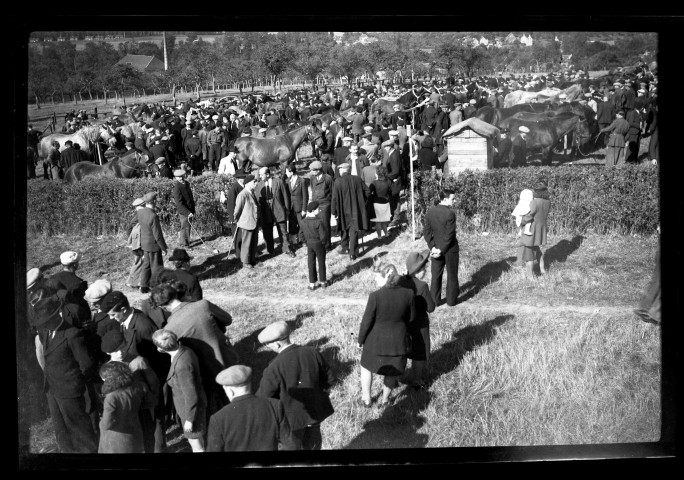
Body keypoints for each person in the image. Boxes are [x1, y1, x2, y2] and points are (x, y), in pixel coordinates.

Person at [150, 282, 238, 420]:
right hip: (229, 358)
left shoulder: (170, 328)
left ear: (162, 307)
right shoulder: (203, 305)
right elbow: (227, 319)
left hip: (207, 373)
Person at [98, 290, 170, 452]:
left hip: (148, 383)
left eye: (112, 314)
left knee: (154, 424)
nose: (111, 318)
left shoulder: (143, 326)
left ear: (123, 309)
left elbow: (159, 360)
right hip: (137, 391)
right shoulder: (125, 321)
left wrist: (151, 393)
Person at [31, 296, 99, 453]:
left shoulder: (72, 334)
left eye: (46, 321)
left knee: (78, 428)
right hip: (52, 388)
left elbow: (86, 365)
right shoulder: (45, 331)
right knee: (60, 427)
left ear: (56, 315)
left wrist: (75, 383)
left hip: (69, 390)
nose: (44, 325)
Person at [256, 320, 335, 450]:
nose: (267, 347)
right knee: (314, 447)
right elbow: (329, 378)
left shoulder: (274, 367)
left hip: (291, 422)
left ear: (276, 344)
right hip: (314, 415)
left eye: (267, 345)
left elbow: (263, 397)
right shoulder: (312, 352)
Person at [357, 262, 415, 408]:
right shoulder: (409, 294)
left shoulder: (375, 296)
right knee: (391, 372)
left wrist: (360, 340)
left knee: (366, 367)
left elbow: (366, 322)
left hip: (375, 343)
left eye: (377, 277)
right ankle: (385, 401)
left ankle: (366, 399)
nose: (375, 281)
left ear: (386, 277)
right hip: (398, 343)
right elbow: (411, 318)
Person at [207, 365, 298, 452]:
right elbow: (290, 444)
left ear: (230, 391)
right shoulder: (274, 405)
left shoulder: (218, 419)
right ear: (250, 384)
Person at [100, 329, 160, 454]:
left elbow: (153, 382)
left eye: (122, 347)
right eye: (115, 351)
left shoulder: (139, 361)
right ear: (107, 352)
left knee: (148, 434)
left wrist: (151, 401)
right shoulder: (108, 368)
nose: (120, 353)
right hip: (124, 410)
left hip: (142, 405)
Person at [152, 329, 207, 453]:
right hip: (190, 407)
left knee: (196, 443)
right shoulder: (184, 350)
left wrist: (189, 419)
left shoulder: (181, 366)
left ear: (160, 349)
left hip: (190, 409)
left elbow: (191, 395)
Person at [401, 251, 435, 389]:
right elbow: (431, 308)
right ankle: (417, 380)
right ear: (416, 271)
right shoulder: (423, 286)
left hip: (404, 323)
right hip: (420, 325)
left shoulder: (402, 281)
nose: (425, 270)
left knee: (404, 350)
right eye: (423, 268)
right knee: (420, 354)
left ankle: (398, 377)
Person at [97, 361, 146, 453]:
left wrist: (101, 422)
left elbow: (107, 424)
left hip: (116, 440)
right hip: (135, 433)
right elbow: (149, 401)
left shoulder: (111, 397)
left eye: (104, 379)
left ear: (110, 379)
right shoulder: (138, 387)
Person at [423, 188, 460, 306]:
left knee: (436, 275)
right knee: (452, 275)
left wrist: (433, 247)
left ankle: (435, 300)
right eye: (452, 199)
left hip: (436, 249)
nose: (454, 201)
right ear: (445, 199)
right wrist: (440, 249)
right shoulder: (450, 214)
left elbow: (426, 232)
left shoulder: (430, 212)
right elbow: (450, 235)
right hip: (450, 250)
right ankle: (451, 301)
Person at [331, 163, 370, 260]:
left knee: (344, 227)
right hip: (356, 210)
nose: (339, 171)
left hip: (343, 210)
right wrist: (362, 202)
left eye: (339, 170)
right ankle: (353, 253)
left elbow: (334, 199)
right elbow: (368, 192)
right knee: (354, 230)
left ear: (342, 170)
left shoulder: (337, 181)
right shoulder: (357, 179)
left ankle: (345, 248)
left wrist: (333, 212)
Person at [256, 166, 294, 257]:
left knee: (283, 232)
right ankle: (271, 250)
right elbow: (257, 200)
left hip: (279, 211)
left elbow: (286, 196)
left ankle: (286, 249)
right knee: (267, 233)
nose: (260, 177)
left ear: (268, 174)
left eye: (262, 175)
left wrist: (287, 209)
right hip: (266, 213)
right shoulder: (259, 185)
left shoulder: (278, 182)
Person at [138, 192, 168, 294]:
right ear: (154, 201)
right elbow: (158, 235)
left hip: (144, 244)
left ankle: (143, 286)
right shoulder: (153, 216)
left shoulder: (140, 212)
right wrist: (163, 247)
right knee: (157, 267)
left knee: (146, 265)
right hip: (153, 245)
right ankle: (157, 287)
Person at [520, 180, 551, 276]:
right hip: (541, 229)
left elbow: (529, 216)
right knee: (537, 250)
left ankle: (530, 277)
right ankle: (542, 270)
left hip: (531, 230)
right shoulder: (548, 201)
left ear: (536, 191)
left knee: (529, 254)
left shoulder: (534, 202)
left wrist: (522, 221)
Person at [300, 201, 329, 290]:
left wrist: (306, 242)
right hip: (319, 244)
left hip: (309, 244)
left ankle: (312, 284)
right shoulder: (318, 222)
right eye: (317, 209)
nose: (319, 210)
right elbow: (323, 236)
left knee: (311, 263)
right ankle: (323, 282)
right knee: (321, 262)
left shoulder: (303, 222)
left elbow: (301, 235)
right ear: (313, 210)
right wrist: (323, 243)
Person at [233, 174, 260, 268]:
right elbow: (237, 210)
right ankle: (245, 262)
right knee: (246, 244)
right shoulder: (242, 194)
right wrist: (237, 220)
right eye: (254, 182)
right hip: (246, 223)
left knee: (253, 242)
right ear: (248, 183)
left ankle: (251, 260)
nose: (256, 183)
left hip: (254, 222)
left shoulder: (252, 193)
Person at [309, 160, 334, 250]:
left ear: (318, 170)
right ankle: (320, 243)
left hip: (325, 204)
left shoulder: (328, 178)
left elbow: (333, 192)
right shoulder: (312, 178)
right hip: (316, 205)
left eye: (313, 170)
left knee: (325, 225)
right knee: (317, 225)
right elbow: (313, 189)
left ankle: (327, 245)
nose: (311, 172)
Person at [284, 164, 308, 248]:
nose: (286, 173)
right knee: (292, 225)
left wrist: (304, 209)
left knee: (302, 225)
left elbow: (305, 196)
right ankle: (294, 242)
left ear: (291, 171)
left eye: (287, 172)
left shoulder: (301, 181)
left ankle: (303, 240)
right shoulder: (287, 181)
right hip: (291, 207)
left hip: (300, 207)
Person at [172, 169, 196, 249]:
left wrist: (192, 208)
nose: (180, 178)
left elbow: (190, 197)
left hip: (190, 209)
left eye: (182, 176)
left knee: (187, 227)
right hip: (184, 211)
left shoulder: (187, 184)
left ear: (184, 176)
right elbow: (179, 203)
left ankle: (185, 242)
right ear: (175, 177)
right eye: (178, 177)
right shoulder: (177, 188)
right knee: (185, 227)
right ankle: (184, 245)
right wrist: (187, 212)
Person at [126, 197, 145, 289]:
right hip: (138, 243)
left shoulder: (137, 215)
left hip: (136, 242)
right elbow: (133, 229)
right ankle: (131, 282)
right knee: (139, 262)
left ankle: (133, 281)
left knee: (138, 261)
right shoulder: (138, 216)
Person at [369, 166, 392, 240]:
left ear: (377, 173)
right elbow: (391, 191)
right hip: (385, 203)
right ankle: (386, 234)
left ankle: (379, 236)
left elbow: (369, 192)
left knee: (378, 222)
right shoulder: (388, 182)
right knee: (385, 221)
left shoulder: (374, 183)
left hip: (376, 203)